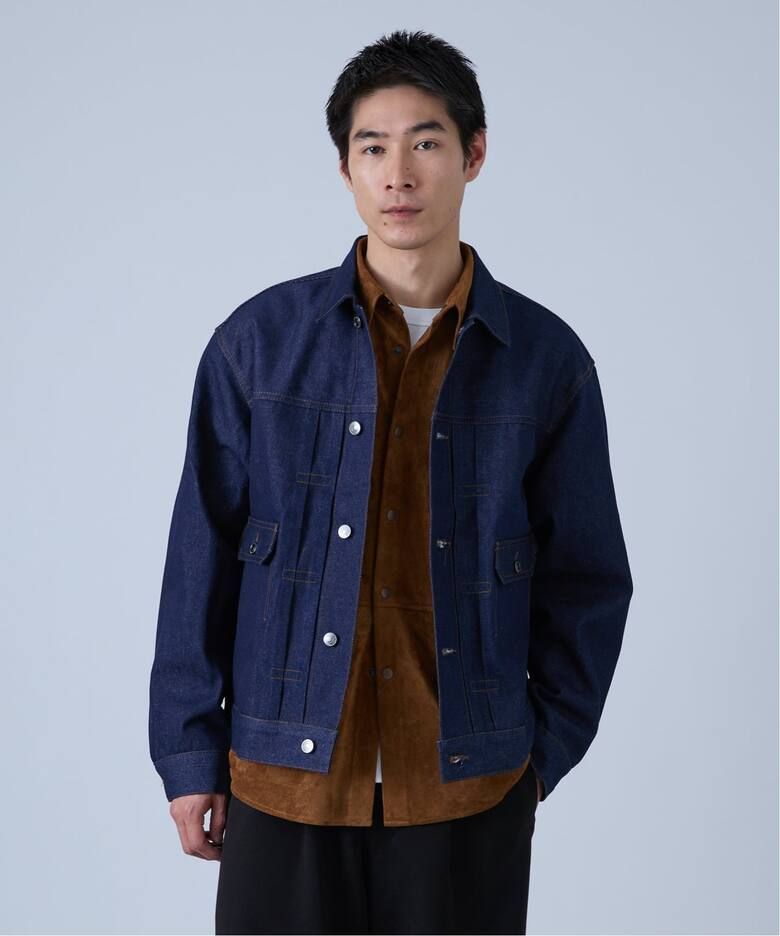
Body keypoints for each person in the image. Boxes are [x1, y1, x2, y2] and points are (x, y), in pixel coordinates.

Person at [148, 28, 634, 935]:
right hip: (280, 782)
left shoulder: (545, 363)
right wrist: (187, 754)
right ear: (346, 168)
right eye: (373, 147)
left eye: (426, 142)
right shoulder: (259, 346)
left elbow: (589, 580)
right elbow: (198, 559)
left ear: (473, 155)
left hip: (467, 792)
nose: (398, 174)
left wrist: (539, 757)